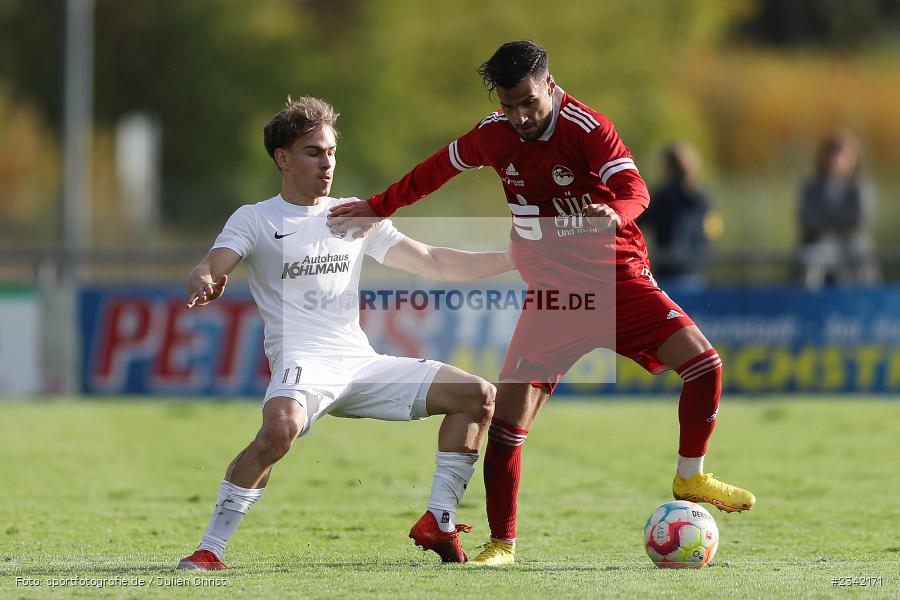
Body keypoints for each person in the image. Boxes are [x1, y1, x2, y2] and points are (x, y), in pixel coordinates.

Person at [329, 41, 755, 567]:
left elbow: (636, 190)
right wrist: (377, 206)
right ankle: (501, 544)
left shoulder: (587, 128)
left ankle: (690, 476)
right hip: (555, 298)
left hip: (617, 282)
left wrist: (616, 214)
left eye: (528, 102)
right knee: (507, 425)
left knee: (705, 364)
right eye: (509, 105)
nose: (520, 116)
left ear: (549, 85)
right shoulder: (493, 133)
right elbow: (433, 172)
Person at [176, 96, 515, 570]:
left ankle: (439, 521)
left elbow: (431, 261)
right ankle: (210, 549)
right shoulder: (256, 218)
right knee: (278, 431)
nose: (327, 163)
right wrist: (206, 280)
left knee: (478, 395)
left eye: (331, 152)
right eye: (314, 152)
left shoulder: (353, 214)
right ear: (283, 158)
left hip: (360, 362)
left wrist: (510, 260)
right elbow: (211, 265)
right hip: (303, 361)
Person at [797, 129, 879, 289]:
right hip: (818, 245)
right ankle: (808, 300)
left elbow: (860, 218)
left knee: (857, 262)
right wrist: (837, 221)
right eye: (832, 154)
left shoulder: (860, 187)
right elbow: (806, 218)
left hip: (852, 248)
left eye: (842, 154)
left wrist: (825, 219)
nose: (836, 160)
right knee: (812, 258)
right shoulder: (811, 187)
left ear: (854, 158)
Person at [639, 142, 712, 289]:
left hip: (667, 267)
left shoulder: (663, 196)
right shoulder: (701, 197)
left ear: (669, 167)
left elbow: (641, 222)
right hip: (693, 269)